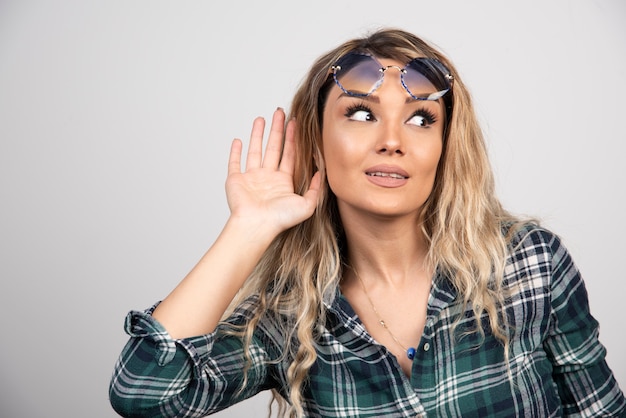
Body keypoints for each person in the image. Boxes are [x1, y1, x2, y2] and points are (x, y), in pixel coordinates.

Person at [109, 28, 626, 417]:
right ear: (316, 141)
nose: (393, 139)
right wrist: (248, 228)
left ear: (444, 150)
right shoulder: (290, 320)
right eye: (361, 113)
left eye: (422, 118)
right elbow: (145, 393)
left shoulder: (529, 263)